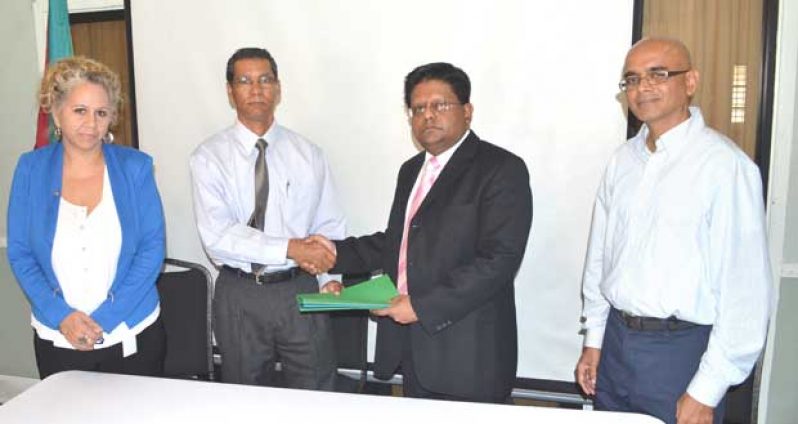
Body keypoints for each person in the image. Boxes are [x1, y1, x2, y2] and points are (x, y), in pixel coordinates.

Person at [575, 37, 773, 424]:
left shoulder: (724, 167)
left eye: (658, 74)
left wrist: (707, 388)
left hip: (681, 353)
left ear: (691, 82)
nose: (642, 87)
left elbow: (745, 292)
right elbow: (600, 257)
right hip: (616, 344)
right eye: (631, 79)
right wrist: (594, 340)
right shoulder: (623, 162)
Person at [314, 62, 532, 402]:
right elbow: (400, 245)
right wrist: (334, 255)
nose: (427, 115)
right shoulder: (411, 170)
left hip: (468, 355)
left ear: (468, 111)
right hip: (413, 349)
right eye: (418, 109)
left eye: (439, 105)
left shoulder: (501, 169)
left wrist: (421, 307)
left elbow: (499, 260)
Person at [189, 47, 345, 390]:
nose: (256, 89)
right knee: (246, 395)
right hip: (241, 292)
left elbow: (328, 224)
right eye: (244, 81)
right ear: (230, 92)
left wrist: (328, 278)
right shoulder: (208, 158)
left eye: (265, 80)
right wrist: (289, 248)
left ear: (278, 88)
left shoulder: (308, 154)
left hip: (301, 288)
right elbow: (219, 236)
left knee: (317, 389)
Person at [7, 56, 166, 378]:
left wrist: (105, 318)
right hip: (57, 335)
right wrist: (61, 316)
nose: (91, 124)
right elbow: (21, 253)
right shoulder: (30, 169)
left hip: (130, 332)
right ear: (56, 111)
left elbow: (152, 249)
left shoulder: (135, 168)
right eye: (80, 111)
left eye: (101, 113)